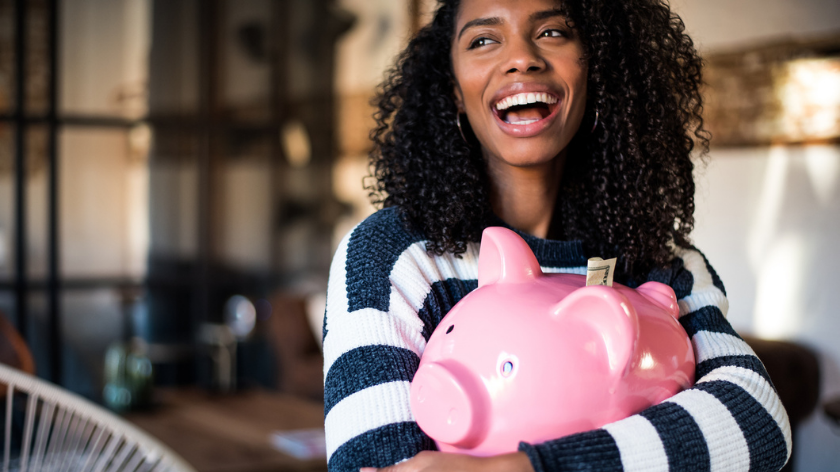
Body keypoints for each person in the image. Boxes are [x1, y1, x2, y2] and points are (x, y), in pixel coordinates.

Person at [322, 0, 791, 471]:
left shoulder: (663, 263)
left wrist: (522, 468)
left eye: (552, 32)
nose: (521, 57)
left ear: (596, 70)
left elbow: (759, 422)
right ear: (454, 93)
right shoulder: (394, 257)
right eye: (483, 39)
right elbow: (371, 462)